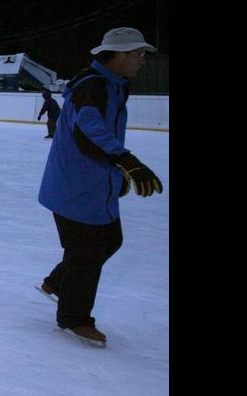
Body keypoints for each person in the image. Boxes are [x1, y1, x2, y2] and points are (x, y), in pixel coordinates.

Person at [37, 28, 163, 346]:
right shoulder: (93, 88)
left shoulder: (111, 86)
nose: (142, 61)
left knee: (109, 240)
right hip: (75, 187)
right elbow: (89, 130)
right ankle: (73, 318)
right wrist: (126, 161)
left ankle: (57, 283)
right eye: (138, 55)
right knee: (88, 251)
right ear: (118, 55)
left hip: (92, 184)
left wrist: (116, 174)